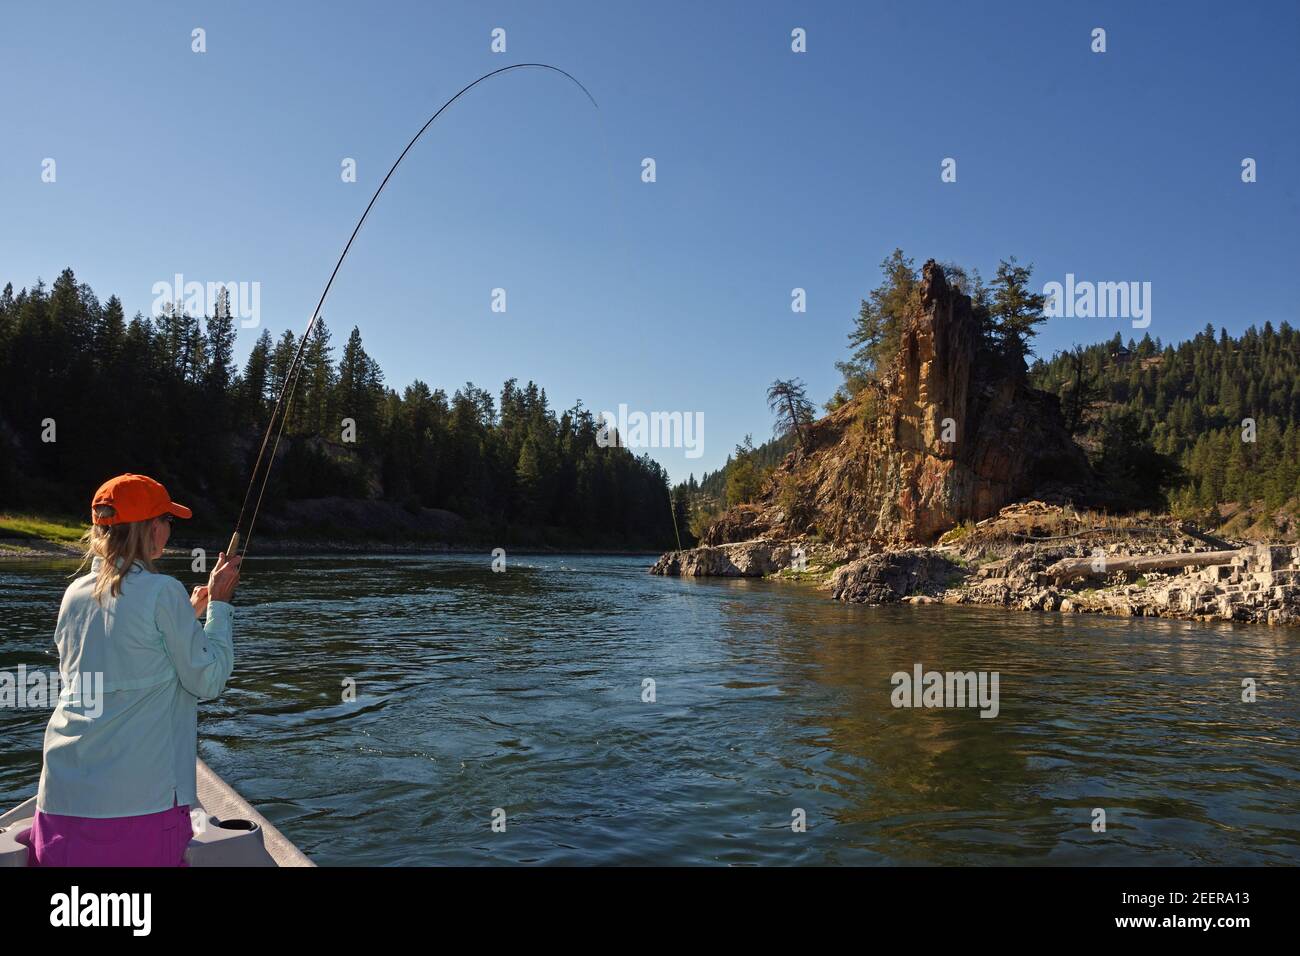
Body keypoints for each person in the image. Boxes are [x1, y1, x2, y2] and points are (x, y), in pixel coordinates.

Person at [25, 473, 242, 866]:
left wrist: (185, 619)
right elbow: (208, 680)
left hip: (59, 800)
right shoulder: (163, 593)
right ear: (151, 528)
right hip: (139, 807)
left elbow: (111, 660)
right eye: (168, 521)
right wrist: (219, 607)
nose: (169, 531)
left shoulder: (73, 594)